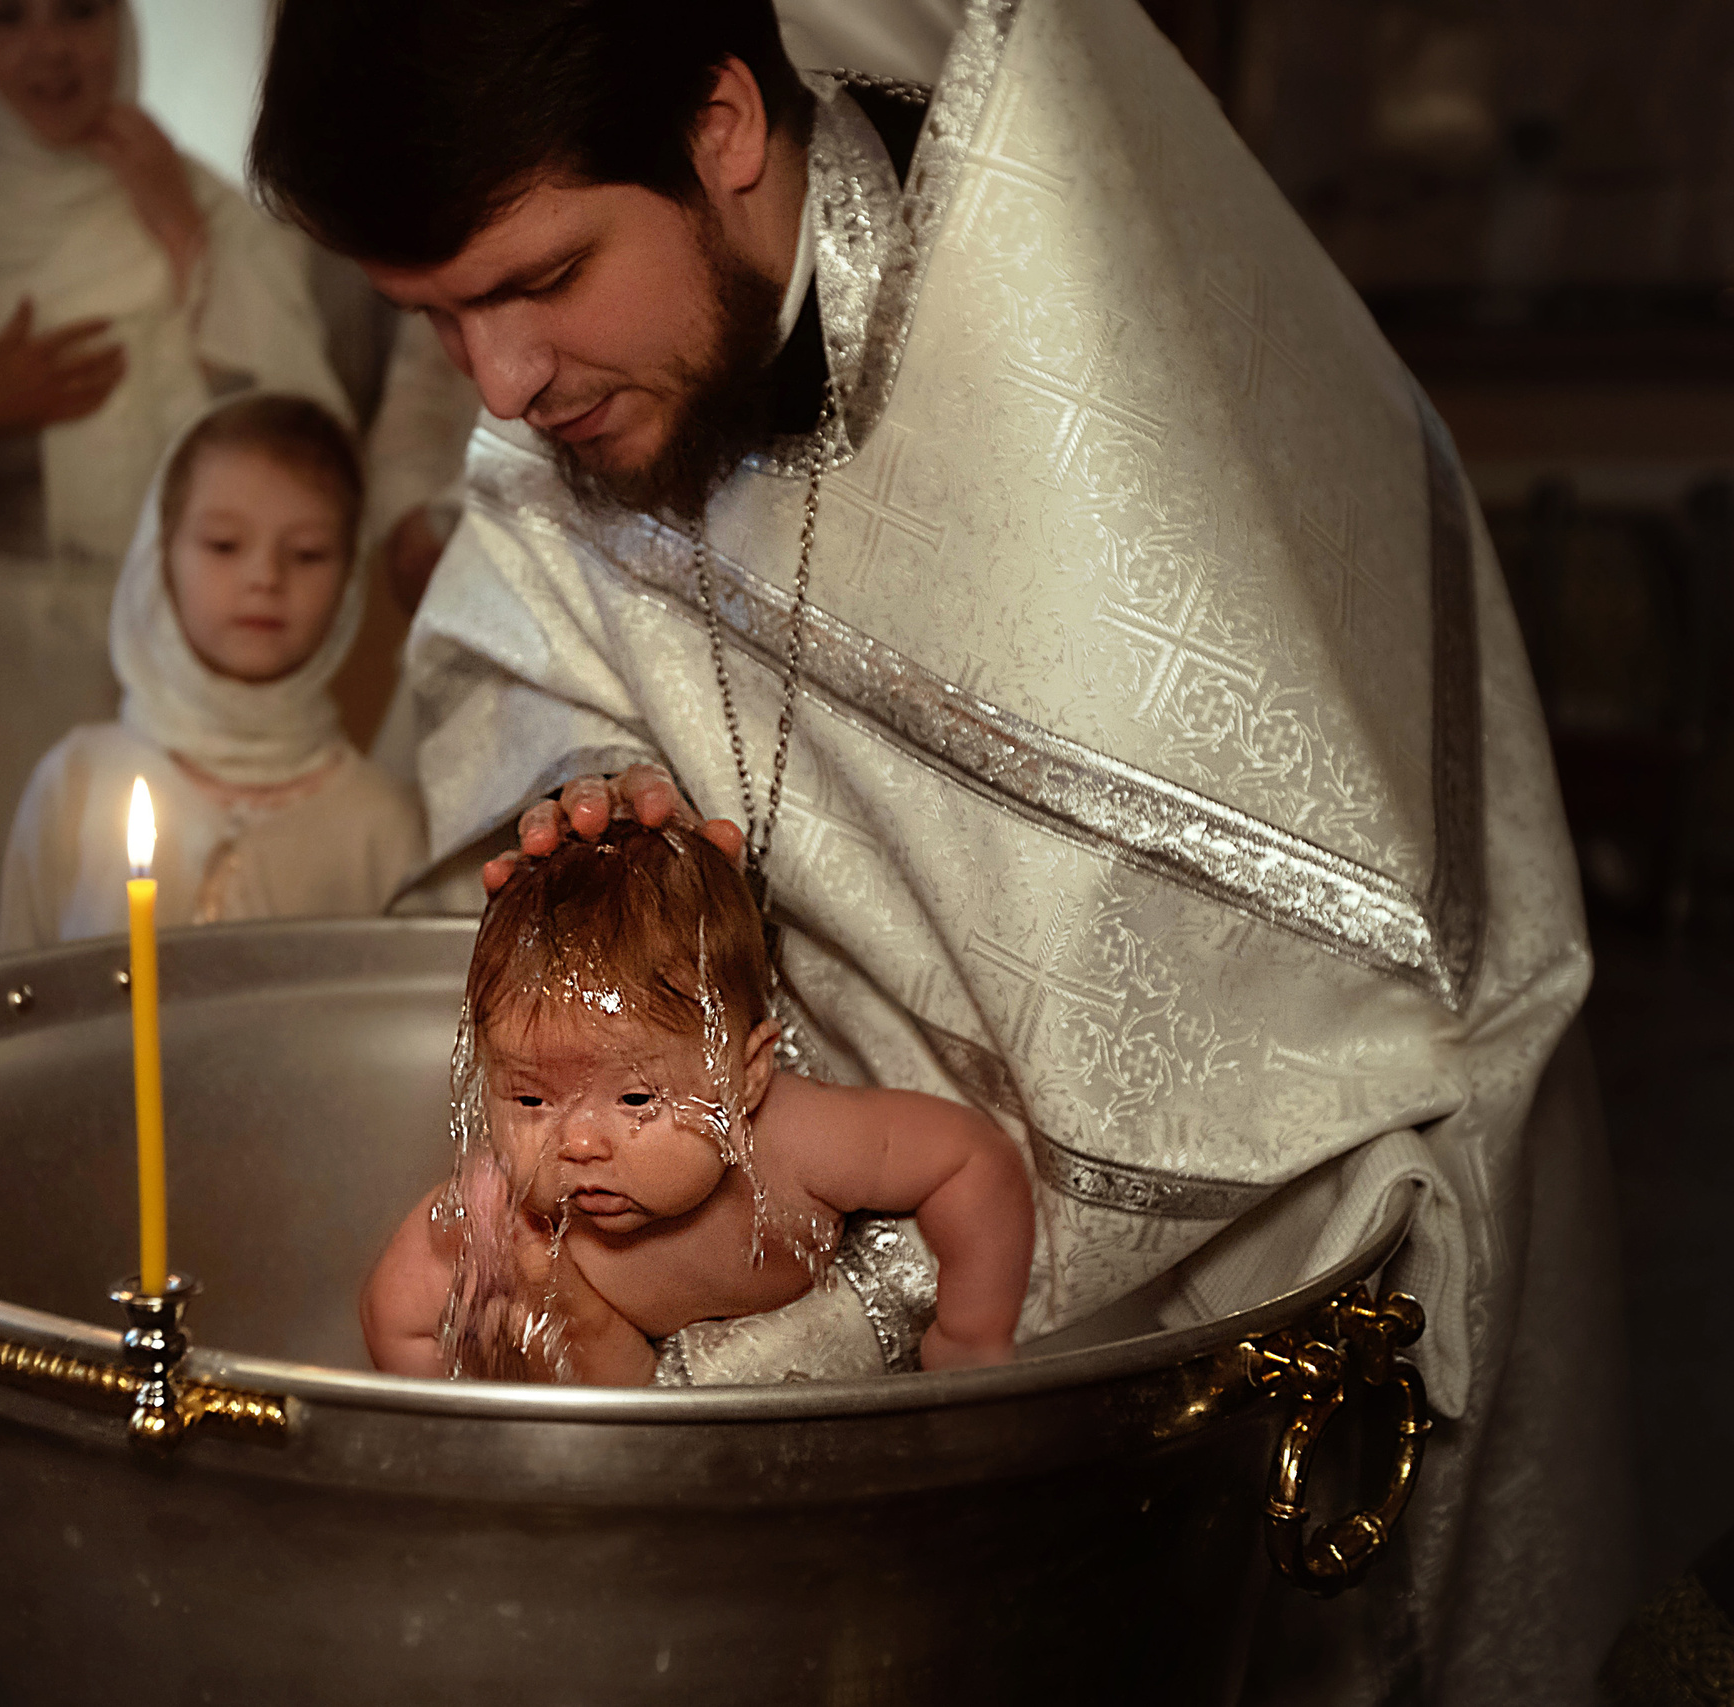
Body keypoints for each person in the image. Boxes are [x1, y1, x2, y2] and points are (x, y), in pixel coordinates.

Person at [252, 0, 1626, 1698]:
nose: (504, 386)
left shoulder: (1100, 400)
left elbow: (1276, 1034)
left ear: (724, 126)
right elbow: (516, 652)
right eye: (434, 319)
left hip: (1172, 1330)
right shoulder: (596, 360)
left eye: (536, 282)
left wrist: (823, 1305)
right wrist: (614, 817)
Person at [0, 0, 350, 960]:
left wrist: (185, 238)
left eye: (78, 11)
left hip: (182, 653)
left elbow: (306, 442)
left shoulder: (204, 209)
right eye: (7, 18)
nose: (49, 49)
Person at [364, 822, 1031, 1386]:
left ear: (746, 1075)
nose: (582, 1143)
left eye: (635, 1098)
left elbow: (972, 1159)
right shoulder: (512, 1218)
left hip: (795, 1379)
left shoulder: (802, 1143)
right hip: (625, 1386)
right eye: (532, 1096)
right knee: (521, 1279)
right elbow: (392, 1312)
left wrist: (973, 1332)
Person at [0, 392, 423, 950]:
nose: (265, 577)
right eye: (224, 545)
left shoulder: (382, 827)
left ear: (349, 582)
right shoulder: (75, 783)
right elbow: (18, 1008)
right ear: (159, 556)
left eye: (309, 553)